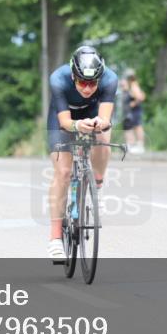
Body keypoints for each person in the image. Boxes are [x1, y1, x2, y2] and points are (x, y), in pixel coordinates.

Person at [46, 46, 118, 261]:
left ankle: (97, 185)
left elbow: (105, 119)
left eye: (92, 83)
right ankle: (55, 239)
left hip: (93, 113)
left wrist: (99, 124)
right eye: (82, 83)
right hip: (64, 118)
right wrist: (78, 126)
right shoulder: (58, 79)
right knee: (64, 172)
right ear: (72, 76)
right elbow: (65, 122)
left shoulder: (110, 79)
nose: (87, 89)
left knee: (103, 138)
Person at [122, 69, 146, 153]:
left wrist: (134, 103)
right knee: (131, 127)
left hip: (135, 111)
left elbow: (140, 97)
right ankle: (134, 145)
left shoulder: (133, 85)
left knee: (137, 127)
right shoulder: (131, 85)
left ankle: (140, 145)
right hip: (131, 112)